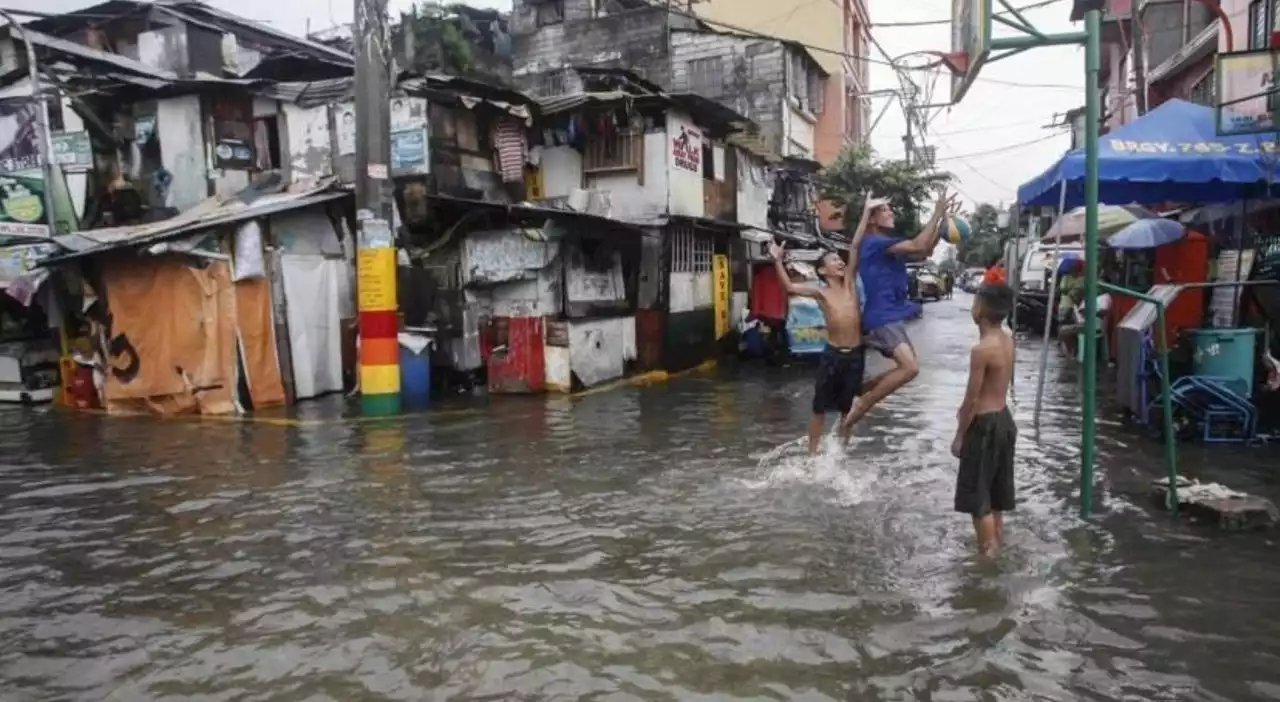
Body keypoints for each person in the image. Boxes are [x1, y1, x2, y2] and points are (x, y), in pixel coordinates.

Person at [840, 190, 957, 434]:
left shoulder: (888, 247)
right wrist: (936, 214)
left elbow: (923, 251)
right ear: (871, 219)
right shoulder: (874, 243)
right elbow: (918, 244)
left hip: (891, 315)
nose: (891, 211)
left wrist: (942, 224)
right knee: (910, 368)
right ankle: (862, 403)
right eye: (884, 209)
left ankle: (860, 390)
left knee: (908, 369)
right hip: (882, 316)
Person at [771, 194, 880, 455]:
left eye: (840, 261)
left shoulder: (851, 287)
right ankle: (812, 454)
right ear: (822, 271)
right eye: (834, 261)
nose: (840, 262)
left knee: (847, 408)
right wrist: (777, 260)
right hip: (832, 355)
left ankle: (840, 452)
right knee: (819, 408)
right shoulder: (821, 293)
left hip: (854, 355)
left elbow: (853, 247)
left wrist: (866, 212)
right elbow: (788, 287)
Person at [952, 282, 1017, 557]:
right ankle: (996, 545)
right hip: (1004, 420)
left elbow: (973, 399)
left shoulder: (982, 350)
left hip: (985, 425)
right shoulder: (1007, 339)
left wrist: (959, 435)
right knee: (995, 495)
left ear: (979, 308)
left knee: (979, 500)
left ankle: (987, 563)